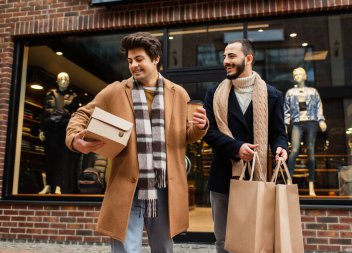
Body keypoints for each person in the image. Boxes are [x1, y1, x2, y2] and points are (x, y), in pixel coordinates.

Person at [65, 32, 208, 253]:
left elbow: (185, 135)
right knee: (125, 249)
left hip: (164, 187)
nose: (133, 65)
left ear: (155, 58)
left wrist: (200, 127)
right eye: (130, 61)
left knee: (163, 248)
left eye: (139, 59)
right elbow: (81, 114)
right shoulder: (116, 91)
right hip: (127, 186)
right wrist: (75, 139)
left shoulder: (177, 94)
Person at [203, 39, 288, 253]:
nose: (226, 61)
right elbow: (209, 132)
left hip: (256, 179)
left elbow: (279, 132)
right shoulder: (214, 93)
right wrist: (236, 148)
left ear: (248, 58)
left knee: (255, 237)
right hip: (223, 177)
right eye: (224, 56)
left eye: (231, 56)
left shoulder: (273, 94)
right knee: (223, 240)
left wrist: (281, 147)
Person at [284, 67, 327, 196]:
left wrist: (321, 120)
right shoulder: (290, 92)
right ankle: (289, 181)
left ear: (305, 76)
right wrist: (285, 124)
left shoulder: (313, 91)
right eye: (295, 74)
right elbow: (286, 109)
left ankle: (311, 186)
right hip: (297, 123)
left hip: (312, 122)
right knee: (294, 150)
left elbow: (319, 105)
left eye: (300, 74)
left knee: (311, 152)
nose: (298, 76)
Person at [39, 72, 80, 194]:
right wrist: (41, 129)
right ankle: (48, 185)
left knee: (62, 159)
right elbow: (44, 112)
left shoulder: (73, 96)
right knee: (49, 158)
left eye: (66, 78)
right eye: (61, 78)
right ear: (57, 81)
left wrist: (73, 131)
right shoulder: (49, 94)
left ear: (69, 81)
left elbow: (76, 115)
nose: (63, 80)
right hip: (50, 130)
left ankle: (58, 186)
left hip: (63, 130)